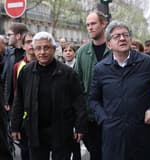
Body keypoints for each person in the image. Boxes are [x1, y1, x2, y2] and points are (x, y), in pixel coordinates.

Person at [88, 20, 150, 160]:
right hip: (112, 136)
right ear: (109, 44)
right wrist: (103, 119)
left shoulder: (147, 63)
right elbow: (93, 99)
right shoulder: (101, 69)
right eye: (117, 36)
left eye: (125, 35)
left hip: (140, 132)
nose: (122, 38)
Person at [11, 31, 88, 160]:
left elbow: (78, 101)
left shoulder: (68, 73)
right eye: (38, 48)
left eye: (46, 47)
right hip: (35, 130)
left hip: (61, 129)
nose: (42, 52)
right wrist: (15, 126)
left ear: (54, 49)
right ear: (34, 50)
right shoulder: (26, 72)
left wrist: (80, 127)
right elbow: (19, 100)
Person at [74, 11, 109, 160]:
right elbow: (76, 85)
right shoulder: (82, 52)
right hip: (90, 116)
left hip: (112, 114)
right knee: (95, 153)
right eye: (87, 24)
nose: (90, 27)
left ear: (103, 24)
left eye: (93, 23)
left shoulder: (115, 49)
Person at [12, 32, 36, 160]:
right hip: (24, 119)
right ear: (23, 46)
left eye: (33, 41)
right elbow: (16, 94)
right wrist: (15, 123)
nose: (31, 44)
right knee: (25, 152)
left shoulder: (46, 63)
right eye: (28, 42)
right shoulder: (17, 66)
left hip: (42, 120)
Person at [4, 22, 28, 112]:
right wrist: (7, 101)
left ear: (18, 36)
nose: (8, 37)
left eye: (9, 34)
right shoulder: (11, 54)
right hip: (12, 104)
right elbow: (8, 79)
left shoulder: (29, 54)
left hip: (26, 103)